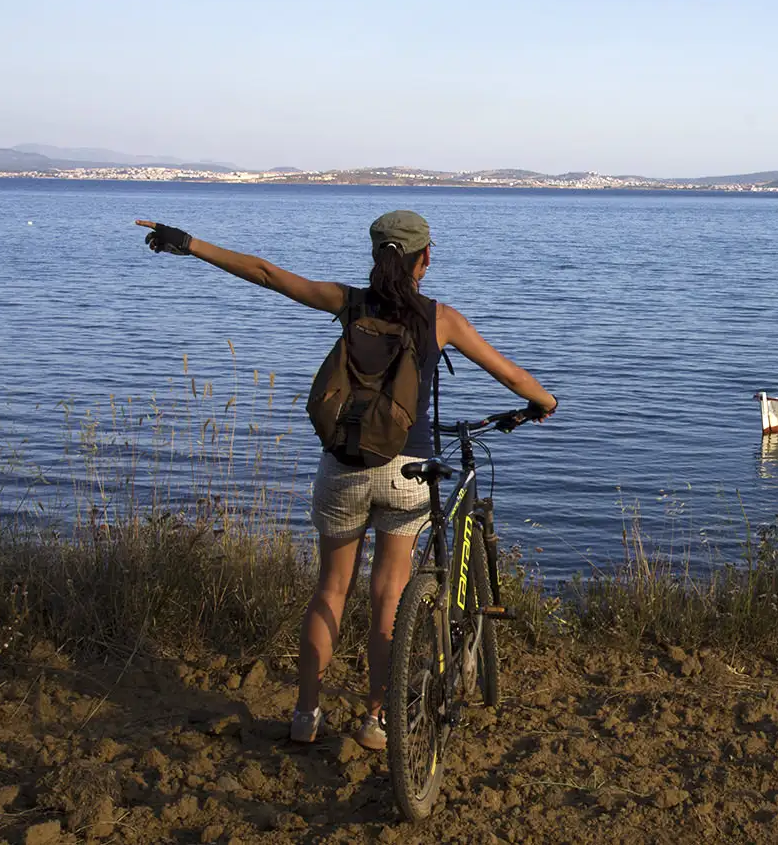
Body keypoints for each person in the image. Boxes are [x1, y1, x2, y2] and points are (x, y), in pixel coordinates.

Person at [135, 210, 557, 749]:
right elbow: (511, 375)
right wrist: (542, 402)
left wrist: (188, 243)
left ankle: (306, 715)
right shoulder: (441, 319)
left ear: (378, 254)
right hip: (407, 473)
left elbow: (266, 273)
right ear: (425, 258)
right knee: (388, 598)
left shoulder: (348, 303)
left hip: (344, 468)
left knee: (330, 590)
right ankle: (375, 719)